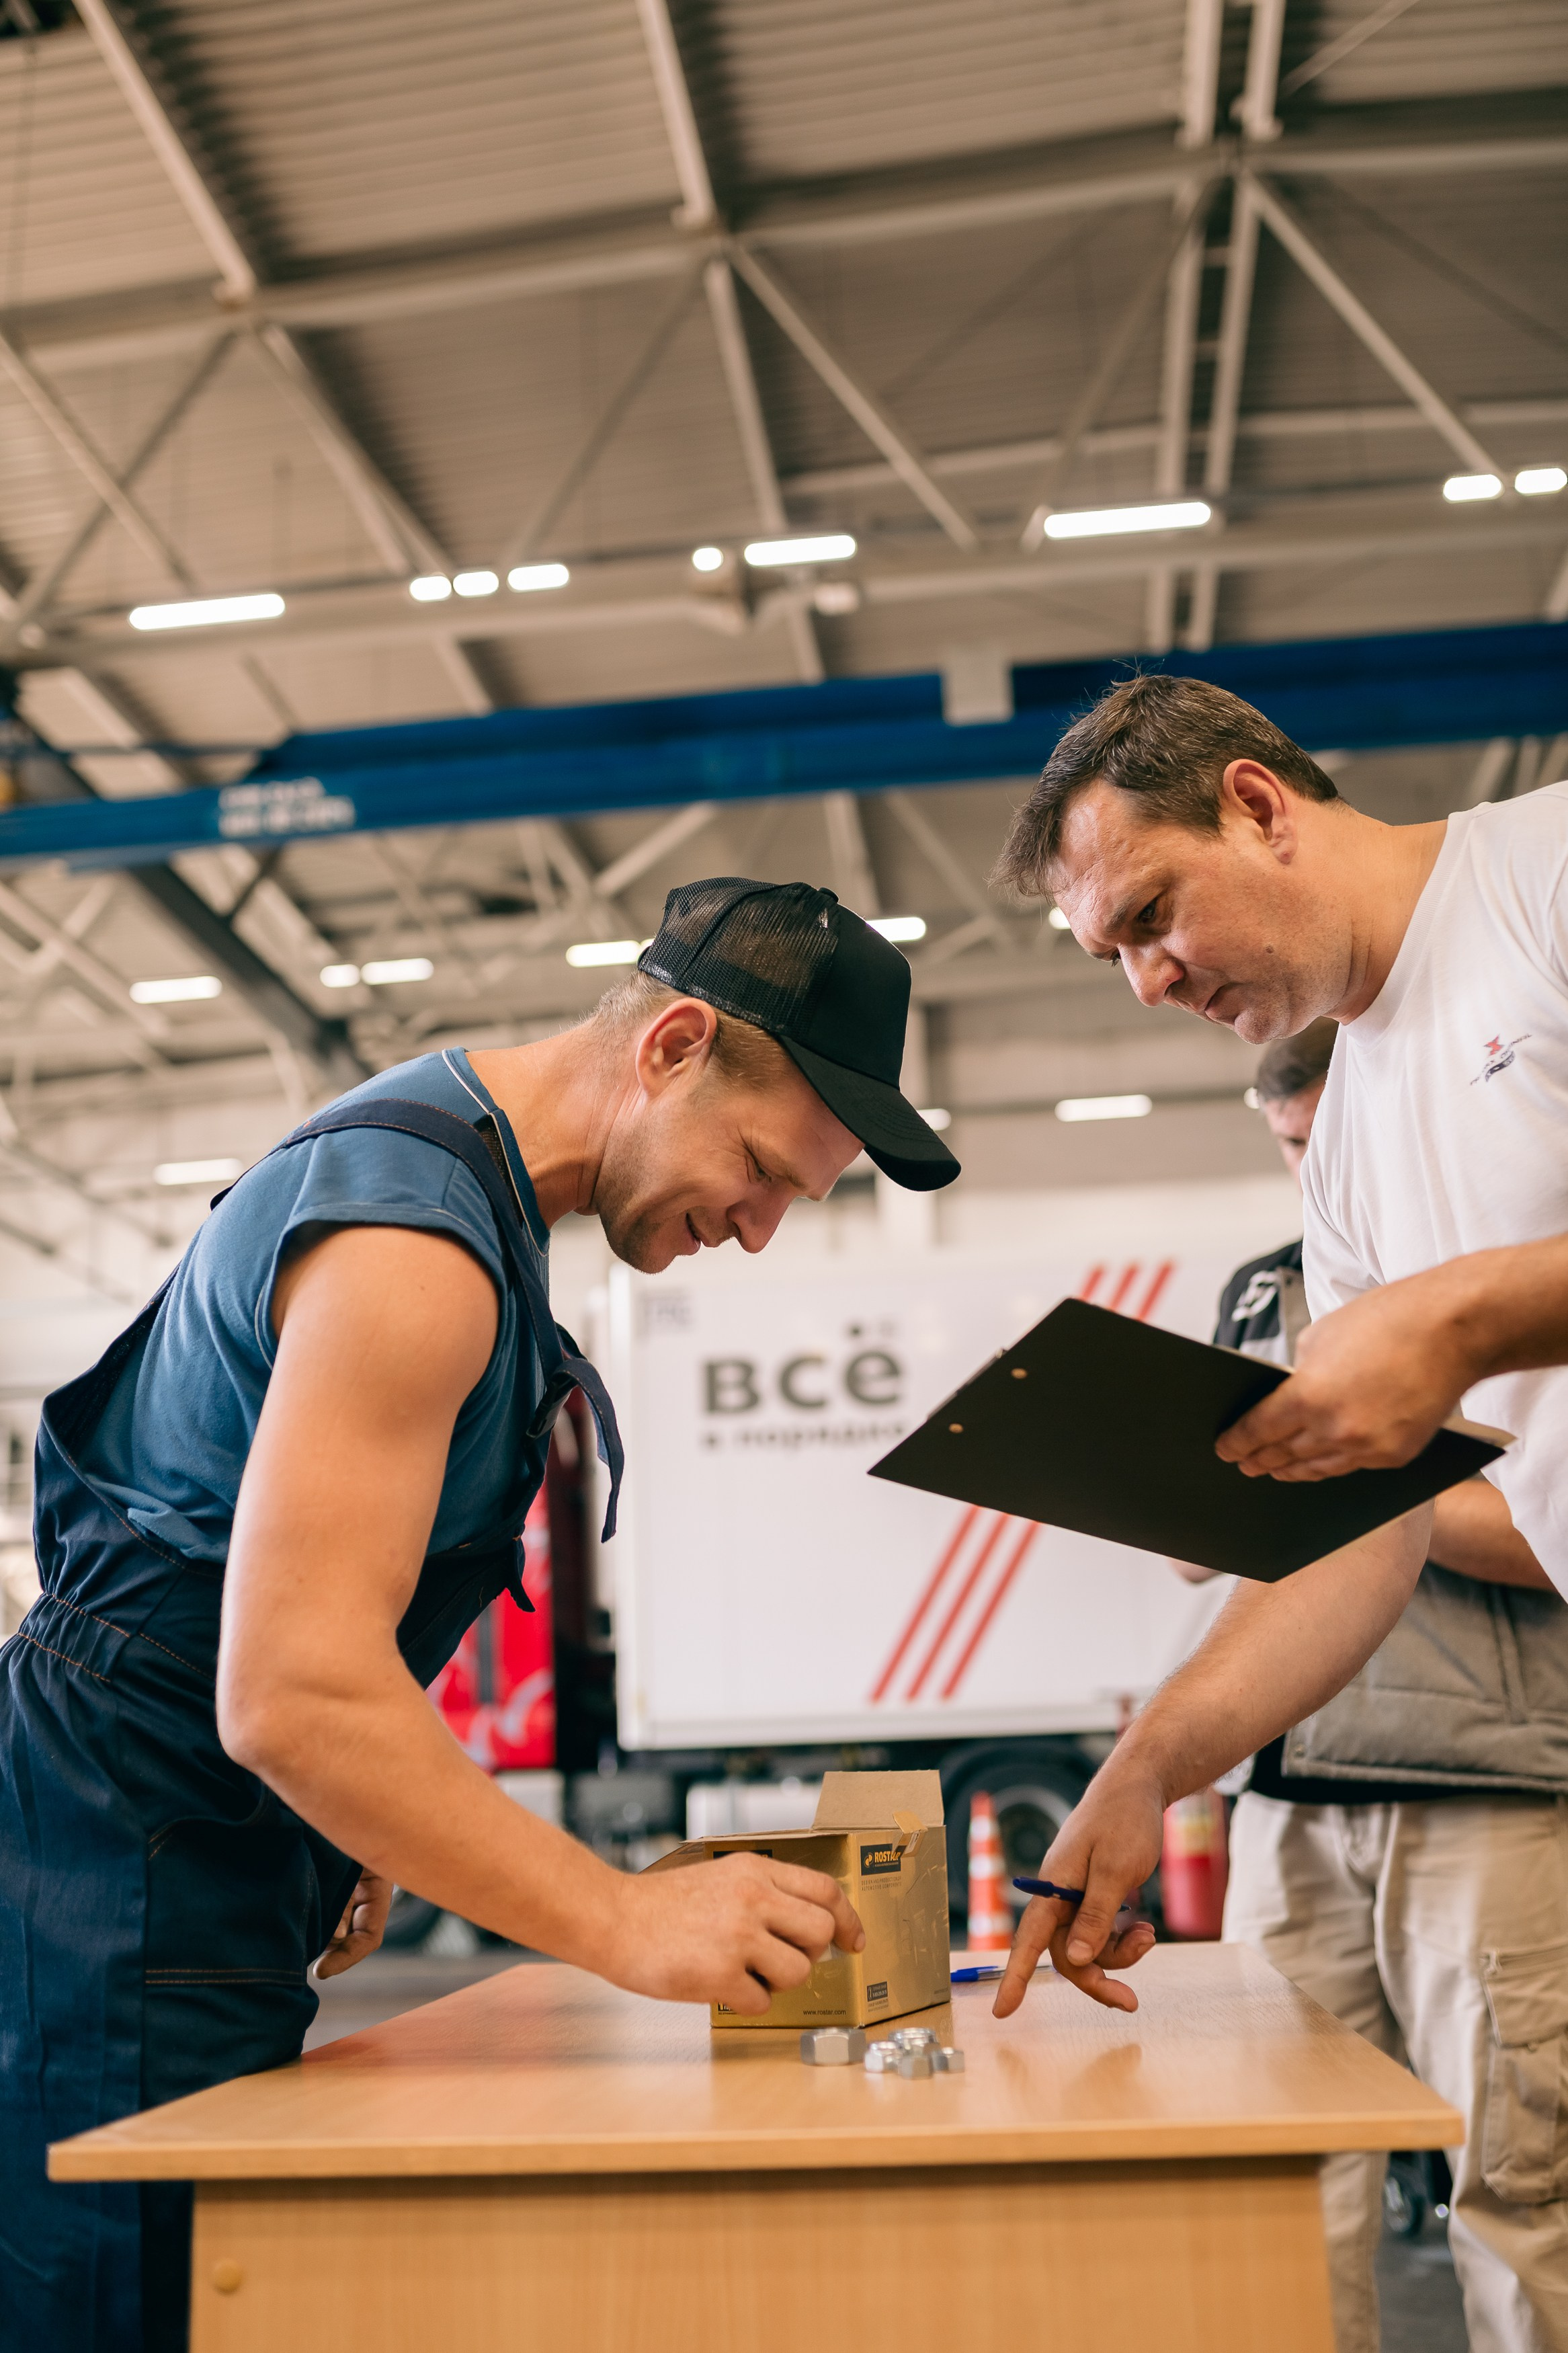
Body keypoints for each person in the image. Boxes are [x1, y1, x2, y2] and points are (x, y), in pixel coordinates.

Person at [0, 876, 959, 2353]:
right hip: (117, 1855)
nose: (761, 1228)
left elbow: (315, 1637)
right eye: (764, 1167)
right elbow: (289, 1694)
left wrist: (363, 1818)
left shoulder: (467, 1188)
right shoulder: (419, 1249)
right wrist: (623, 1917)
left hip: (194, 1835)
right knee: (130, 2296)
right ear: (673, 1044)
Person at [982, 681, 1568, 2045]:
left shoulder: (1541, 875)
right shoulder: (1353, 1142)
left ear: (1257, 806)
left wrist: (1462, 1319)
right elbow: (1363, 1527)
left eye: (1150, 916)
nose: (1147, 980)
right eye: (1109, 956)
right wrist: (1150, 1766)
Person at [1173, 1016, 1568, 2353]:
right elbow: (1222, 1544)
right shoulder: (1260, 1291)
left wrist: (1353, 1477)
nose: (1315, 1171)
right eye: (1291, 1146)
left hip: (1484, 1779)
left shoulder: (1518, 1292)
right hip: (1286, 1785)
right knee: (1284, 2174)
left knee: (1521, 2175)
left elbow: (1544, 1536)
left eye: (1332, 1137)